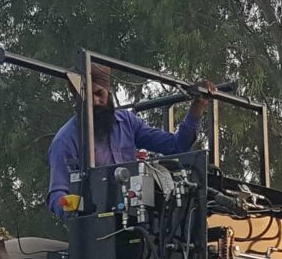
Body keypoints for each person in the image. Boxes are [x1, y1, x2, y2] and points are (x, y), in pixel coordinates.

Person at [45, 65, 212, 215]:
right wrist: (79, 208)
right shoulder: (65, 140)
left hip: (138, 223)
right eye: (87, 96)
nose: (95, 101)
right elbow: (57, 196)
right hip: (96, 235)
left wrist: (198, 105)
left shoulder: (127, 122)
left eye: (98, 93)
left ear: (108, 91)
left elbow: (176, 146)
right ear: (77, 98)